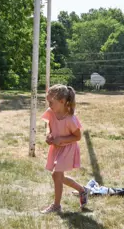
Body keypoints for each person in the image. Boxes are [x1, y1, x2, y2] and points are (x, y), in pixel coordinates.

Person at [40, 84, 89, 214]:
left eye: (51, 102)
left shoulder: (70, 118)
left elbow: (77, 136)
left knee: (56, 175)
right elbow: (48, 125)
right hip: (56, 148)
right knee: (57, 177)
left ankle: (56, 206)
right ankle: (82, 190)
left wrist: (62, 140)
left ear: (62, 102)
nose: (49, 104)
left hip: (67, 149)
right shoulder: (51, 112)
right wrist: (48, 134)